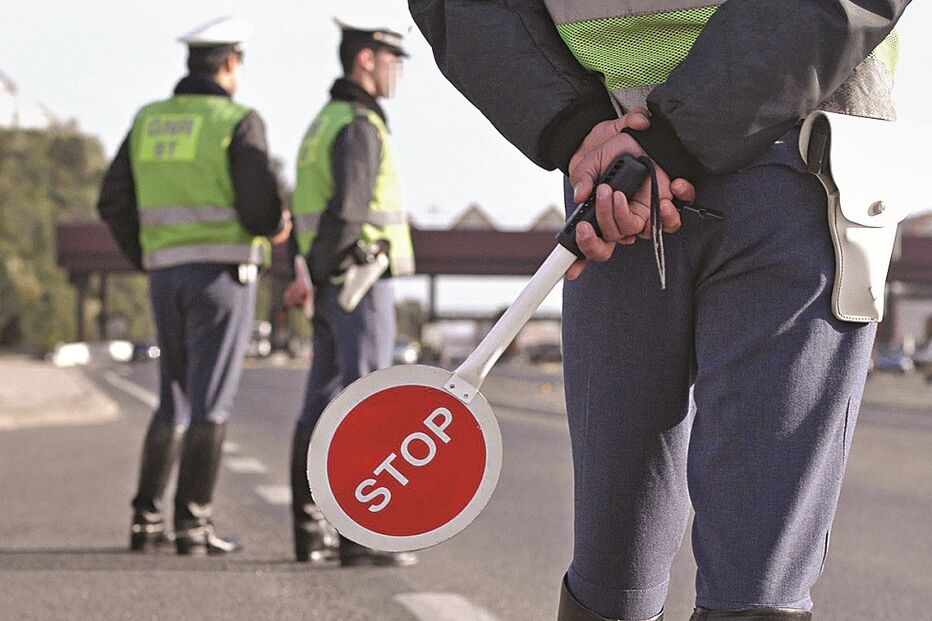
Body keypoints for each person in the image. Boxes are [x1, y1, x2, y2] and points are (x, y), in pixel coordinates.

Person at [409, 1, 909, 619]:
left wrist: (589, 128)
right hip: (650, 169)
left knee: (658, 566)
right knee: (714, 569)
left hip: (707, 154)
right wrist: (589, 131)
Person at [97, 15, 290, 556]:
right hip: (223, 276)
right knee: (212, 401)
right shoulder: (236, 120)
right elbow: (258, 208)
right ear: (230, 63)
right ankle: (193, 523)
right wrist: (276, 226)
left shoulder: (148, 120)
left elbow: (111, 200)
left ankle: (146, 519)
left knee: (172, 398)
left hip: (167, 275)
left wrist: (150, 257)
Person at [284, 18, 417, 567]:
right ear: (367, 58)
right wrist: (332, 270)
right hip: (360, 282)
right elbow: (348, 210)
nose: (398, 71)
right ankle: (361, 535)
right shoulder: (360, 125)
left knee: (321, 406)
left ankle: (311, 530)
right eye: (393, 59)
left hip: (332, 283)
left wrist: (315, 275)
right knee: (367, 409)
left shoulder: (323, 122)